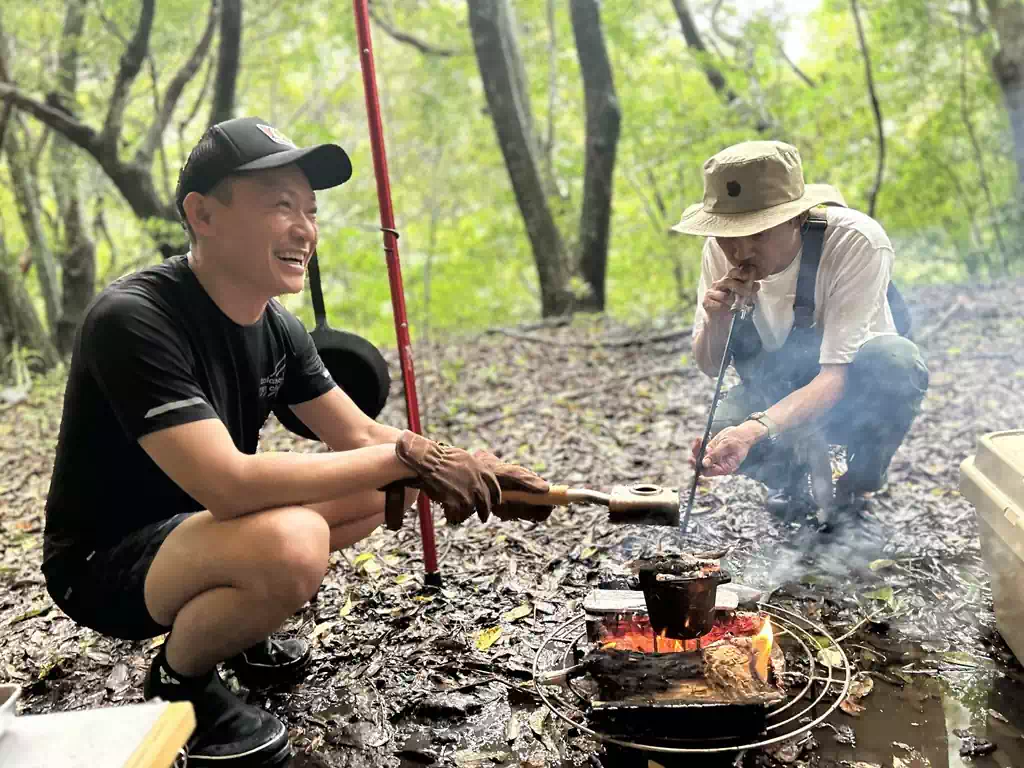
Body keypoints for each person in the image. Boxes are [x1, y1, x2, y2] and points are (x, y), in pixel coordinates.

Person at [41, 116, 553, 767]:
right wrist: (410, 459)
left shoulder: (276, 325)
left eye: (309, 210)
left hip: (203, 533)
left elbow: (361, 434)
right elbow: (226, 483)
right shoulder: (134, 319)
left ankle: (236, 623)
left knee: (376, 485)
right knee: (295, 542)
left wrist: (470, 466)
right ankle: (180, 681)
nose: (304, 229)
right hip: (106, 563)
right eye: (281, 205)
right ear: (202, 214)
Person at [672, 140, 929, 527]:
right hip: (772, 384)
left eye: (756, 234)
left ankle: (857, 490)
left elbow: (834, 376)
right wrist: (717, 318)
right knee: (720, 435)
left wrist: (753, 429)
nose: (739, 250)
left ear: (796, 218)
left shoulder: (855, 242)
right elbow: (710, 366)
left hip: (855, 387)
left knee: (897, 362)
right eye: (728, 234)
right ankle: (790, 482)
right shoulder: (717, 250)